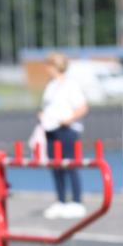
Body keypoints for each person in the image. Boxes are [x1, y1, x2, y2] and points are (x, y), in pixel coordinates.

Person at [38, 53, 88, 219]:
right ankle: (60, 200)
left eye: (49, 65)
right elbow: (49, 106)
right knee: (55, 165)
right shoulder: (51, 85)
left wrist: (68, 119)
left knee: (70, 164)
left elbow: (82, 107)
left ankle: (76, 201)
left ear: (56, 66)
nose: (46, 69)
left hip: (66, 129)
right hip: (50, 128)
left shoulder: (70, 85)